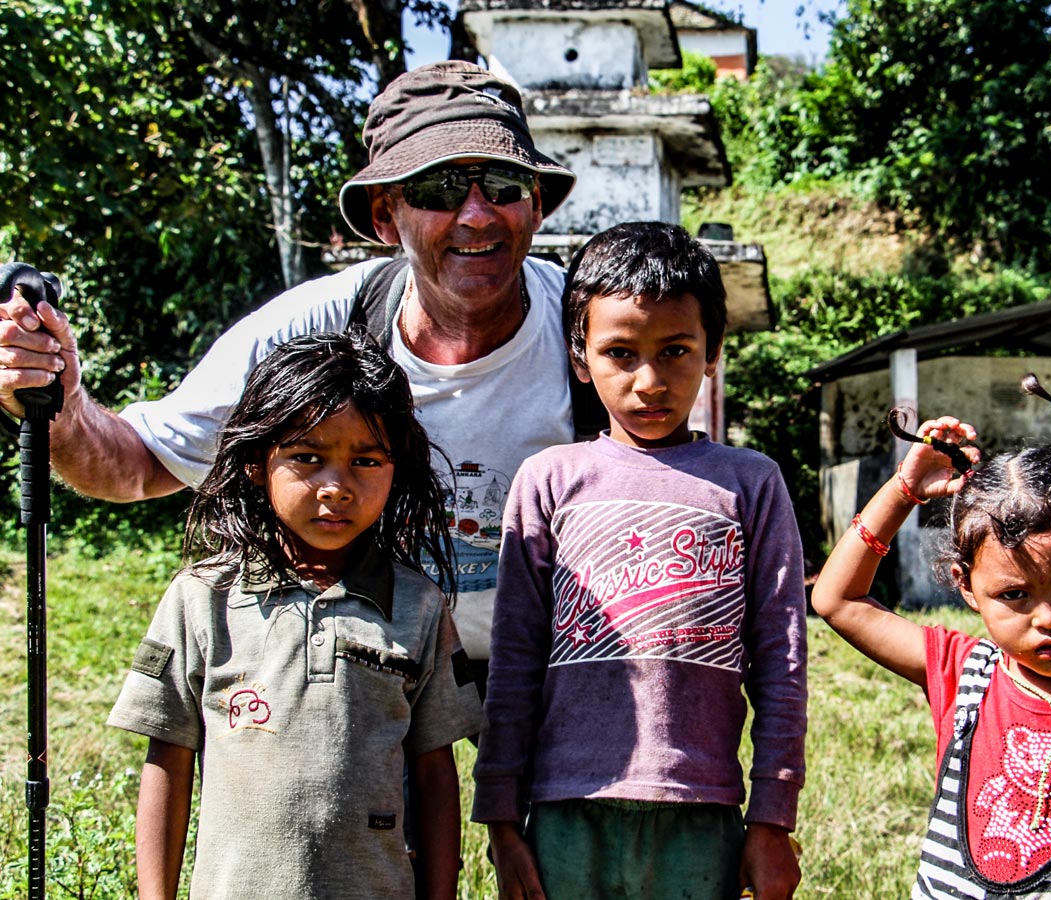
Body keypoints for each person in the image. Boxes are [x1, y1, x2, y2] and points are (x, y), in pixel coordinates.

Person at [0, 60, 579, 683]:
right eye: (439, 189)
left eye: (502, 184)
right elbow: (135, 464)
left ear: (536, 202)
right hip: (370, 664)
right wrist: (60, 403)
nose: (477, 215)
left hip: (550, 665)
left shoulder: (593, 334)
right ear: (386, 216)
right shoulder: (322, 325)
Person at [471, 222, 807, 900]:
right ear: (579, 356)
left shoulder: (751, 484)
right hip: (566, 810)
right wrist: (503, 822)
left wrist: (772, 816)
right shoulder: (548, 480)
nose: (649, 381)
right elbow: (514, 659)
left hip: (701, 812)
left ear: (711, 351)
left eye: (676, 351)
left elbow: (782, 659)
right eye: (620, 353)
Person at [107, 327, 483, 900]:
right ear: (259, 463)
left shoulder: (418, 607)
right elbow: (169, 757)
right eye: (307, 458)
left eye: (366, 460)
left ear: (395, 470)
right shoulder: (203, 599)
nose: (336, 487)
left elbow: (435, 774)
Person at [809, 375, 1051, 899]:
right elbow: (837, 600)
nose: (1048, 617)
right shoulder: (960, 670)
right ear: (967, 589)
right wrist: (903, 490)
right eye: (1015, 595)